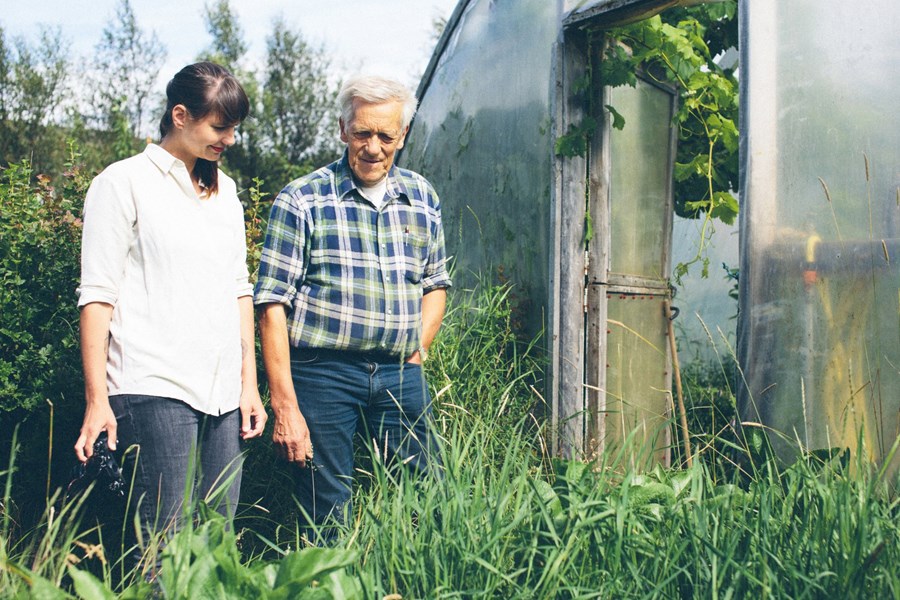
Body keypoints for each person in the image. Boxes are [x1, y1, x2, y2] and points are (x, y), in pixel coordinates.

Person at [73, 62, 267, 560]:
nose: (229, 139)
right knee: (163, 546)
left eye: (234, 128)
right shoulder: (122, 183)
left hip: (223, 391)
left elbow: (239, 290)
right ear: (180, 115)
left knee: (219, 541)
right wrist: (97, 400)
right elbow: (97, 295)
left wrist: (249, 384)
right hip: (151, 383)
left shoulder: (226, 195)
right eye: (219, 127)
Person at [255, 74, 451, 541]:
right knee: (325, 508)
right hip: (322, 372)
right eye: (363, 132)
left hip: (399, 373)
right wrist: (284, 404)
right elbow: (271, 305)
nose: (373, 147)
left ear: (402, 135)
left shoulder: (421, 196)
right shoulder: (303, 198)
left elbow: (436, 284)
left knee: (426, 495)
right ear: (343, 129)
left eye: (386, 135)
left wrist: (415, 349)